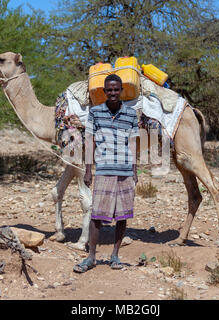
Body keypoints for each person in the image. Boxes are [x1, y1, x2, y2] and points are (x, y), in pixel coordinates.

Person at [73, 74, 139, 273]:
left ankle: (115, 255)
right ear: (104, 92)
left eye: (116, 89)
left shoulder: (130, 114)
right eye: (109, 90)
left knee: (122, 215)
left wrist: (135, 170)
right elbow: (90, 141)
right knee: (97, 215)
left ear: (121, 91)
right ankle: (91, 256)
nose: (112, 93)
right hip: (103, 170)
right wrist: (88, 169)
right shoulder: (95, 112)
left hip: (125, 171)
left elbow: (134, 142)